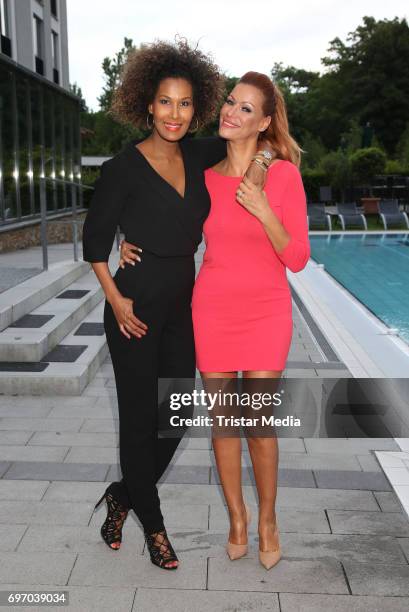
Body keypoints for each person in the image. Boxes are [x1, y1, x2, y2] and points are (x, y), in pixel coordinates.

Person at [82, 40, 271, 570]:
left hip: (184, 308)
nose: (175, 113)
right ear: (147, 104)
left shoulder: (197, 152)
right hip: (134, 309)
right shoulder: (122, 167)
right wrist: (116, 298)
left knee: (175, 416)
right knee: (138, 420)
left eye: (186, 103)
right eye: (165, 102)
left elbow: (258, 137)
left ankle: (122, 495)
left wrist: (265, 159)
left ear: (197, 108)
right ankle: (156, 526)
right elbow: (94, 244)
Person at [121, 71, 310, 571]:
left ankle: (269, 519)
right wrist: (127, 238)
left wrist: (264, 208)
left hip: (266, 311)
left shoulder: (285, 175)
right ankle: (238, 518)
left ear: (265, 122)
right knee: (225, 426)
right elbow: (158, 208)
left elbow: (297, 259)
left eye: (247, 109)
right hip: (213, 311)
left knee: (259, 425)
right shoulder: (203, 175)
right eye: (231, 102)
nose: (232, 112)